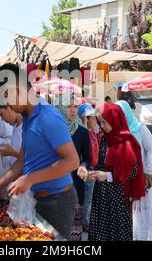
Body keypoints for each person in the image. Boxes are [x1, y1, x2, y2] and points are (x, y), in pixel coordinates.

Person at [0, 63, 80, 240]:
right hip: (38, 199)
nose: (6, 104)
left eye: (6, 97)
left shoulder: (48, 117)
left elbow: (72, 161)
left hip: (57, 202)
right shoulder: (27, 119)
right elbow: (22, 159)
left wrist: (30, 178)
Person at [87, 103, 145, 241]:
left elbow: (132, 171)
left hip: (117, 198)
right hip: (101, 196)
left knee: (116, 234)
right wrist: (91, 172)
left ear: (115, 119)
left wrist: (107, 176)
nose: (101, 126)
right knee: (100, 234)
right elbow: (101, 164)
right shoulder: (105, 139)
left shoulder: (126, 142)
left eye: (104, 122)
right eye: (100, 122)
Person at [116, 100, 152, 241]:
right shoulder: (116, 130)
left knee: (140, 215)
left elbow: (150, 148)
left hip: (141, 178)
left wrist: (148, 171)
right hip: (124, 180)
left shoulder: (139, 128)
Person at [56, 96, 91, 240]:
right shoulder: (56, 130)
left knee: (74, 232)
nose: (72, 110)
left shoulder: (82, 132)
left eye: (75, 107)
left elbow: (87, 158)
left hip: (75, 185)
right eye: (69, 106)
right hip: (56, 185)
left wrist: (83, 166)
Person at [78, 104, 100, 233]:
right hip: (87, 169)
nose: (94, 120)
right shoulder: (84, 133)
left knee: (89, 198)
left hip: (93, 168)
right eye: (90, 117)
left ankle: (85, 220)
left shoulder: (92, 132)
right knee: (86, 198)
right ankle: (84, 222)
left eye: (94, 117)